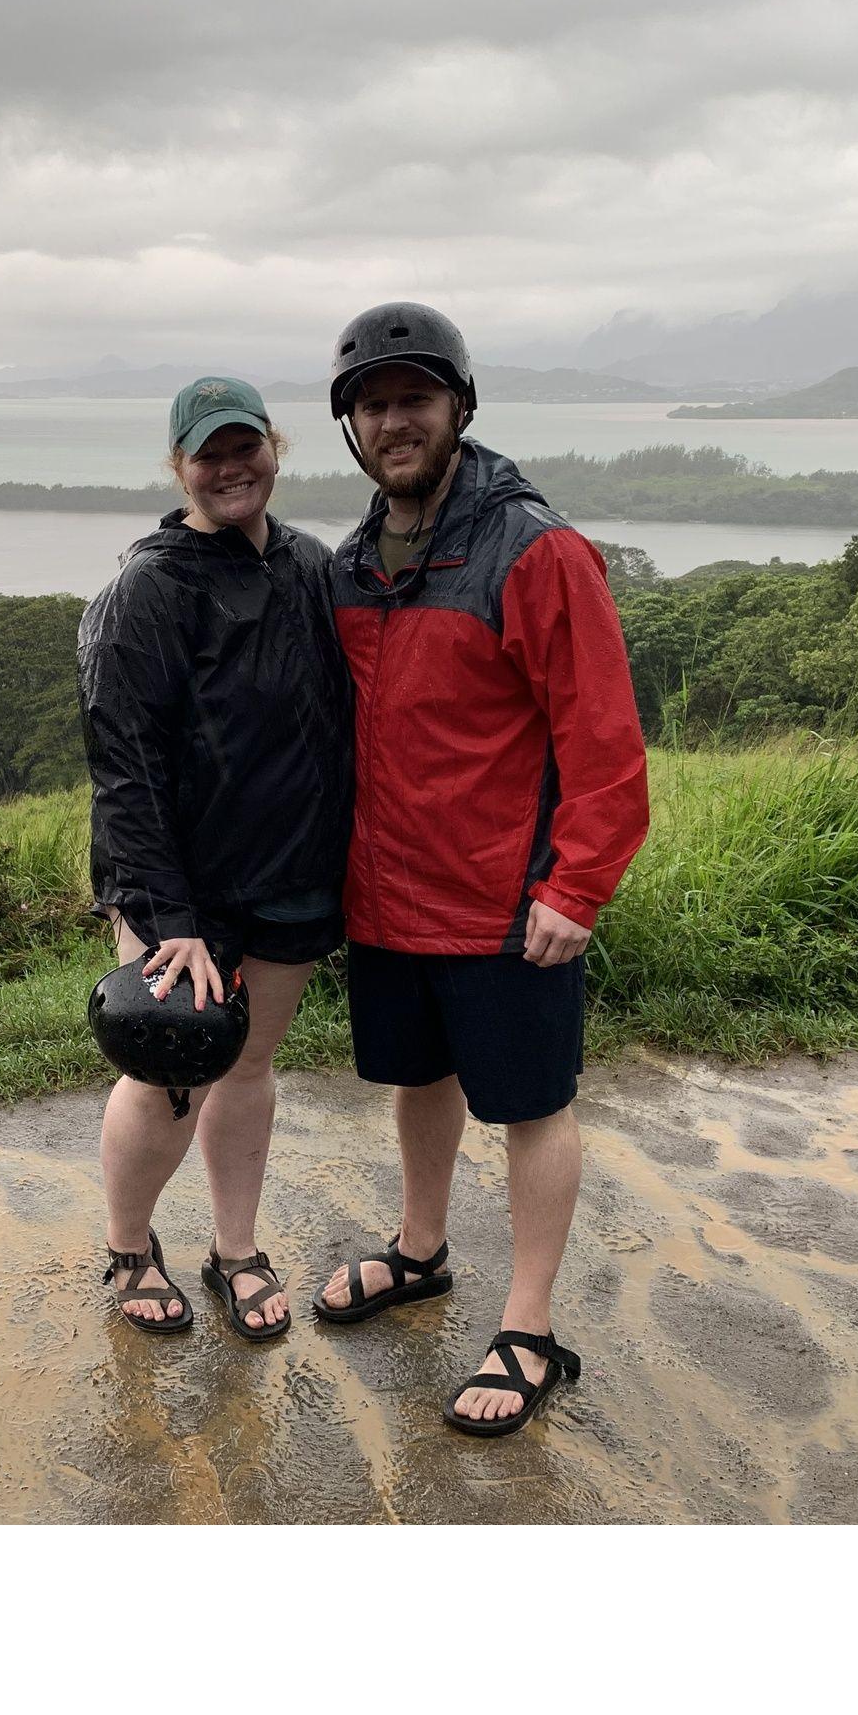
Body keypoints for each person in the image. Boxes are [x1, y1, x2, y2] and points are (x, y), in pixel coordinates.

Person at [312, 302, 650, 1436]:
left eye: (414, 397)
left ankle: (530, 1326)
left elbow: (601, 736)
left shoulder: (533, 548)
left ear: (459, 405)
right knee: (420, 1080)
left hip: (507, 900)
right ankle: (420, 1249)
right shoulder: (358, 558)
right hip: (390, 892)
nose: (393, 419)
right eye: (372, 403)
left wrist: (576, 883)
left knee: (531, 1105)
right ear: (349, 426)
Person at [77, 376, 353, 1339]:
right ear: (179, 467)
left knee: (251, 1067)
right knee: (171, 1071)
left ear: (276, 449)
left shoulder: (312, 565)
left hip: (290, 870)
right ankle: (129, 1247)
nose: (231, 468)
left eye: (247, 448)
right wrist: (170, 914)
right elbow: (124, 764)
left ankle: (236, 1248)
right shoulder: (147, 590)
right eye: (210, 454)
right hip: (180, 892)